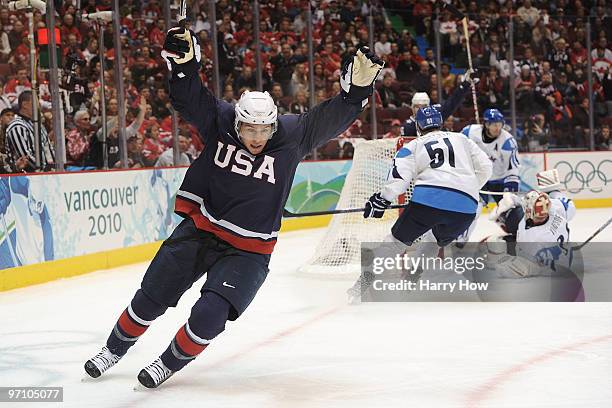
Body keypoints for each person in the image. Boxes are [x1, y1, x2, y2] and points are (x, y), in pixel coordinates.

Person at [84, 25, 383, 388]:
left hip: (249, 250)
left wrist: (356, 94)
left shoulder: (292, 134)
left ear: (273, 126)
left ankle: (167, 363)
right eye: (249, 130)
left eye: (263, 130)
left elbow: (333, 115)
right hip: (201, 230)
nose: (256, 138)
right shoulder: (222, 122)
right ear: (238, 122)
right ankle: (113, 350)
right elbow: (190, 98)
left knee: (211, 314)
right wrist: (183, 66)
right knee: (151, 298)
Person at [349, 106, 492, 302]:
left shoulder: (413, 146)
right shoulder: (462, 139)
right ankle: (412, 278)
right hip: (466, 208)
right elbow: (486, 167)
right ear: (441, 123)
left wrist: (381, 200)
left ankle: (361, 287)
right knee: (433, 240)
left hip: (429, 201)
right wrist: (468, 188)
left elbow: (399, 179)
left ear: (418, 126)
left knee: (394, 244)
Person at [486, 169, 576, 278]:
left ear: (529, 211)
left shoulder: (533, 237)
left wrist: (501, 249)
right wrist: (553, 190)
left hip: (546, 267)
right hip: (562, 257)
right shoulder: (556, 208)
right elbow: (568, 206)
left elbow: (521, 251)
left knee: (498, 252)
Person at [457, 108, 520, 242]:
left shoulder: (508, 142)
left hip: (501, 181)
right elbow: (457, 148)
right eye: (494, 124)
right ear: (486, 124)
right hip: (480, 178)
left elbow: (513, 169)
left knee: (510, 212)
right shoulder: (469, 132)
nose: (498, 128)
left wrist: (510, 191)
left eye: (500, 124)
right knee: (474, 208)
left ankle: (518, 235)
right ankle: (461, 239)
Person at [401, 69, 477, 137]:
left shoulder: (436, 115)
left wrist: (465, 84)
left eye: (423, 106)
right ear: (412, 108)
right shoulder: (408, 126)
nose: (420, 110)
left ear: (429, 107)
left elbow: (453, 101)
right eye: (417, 106)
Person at [5, 91, 55, 172]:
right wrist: (44, 170)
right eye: (36, 102)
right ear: (25, 104)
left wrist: (53, 166)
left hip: (47, 175)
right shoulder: (17, 126)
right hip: (27, 178)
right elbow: (25, 158)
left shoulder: (39, 125)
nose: (39, 106)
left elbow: (48, 148)